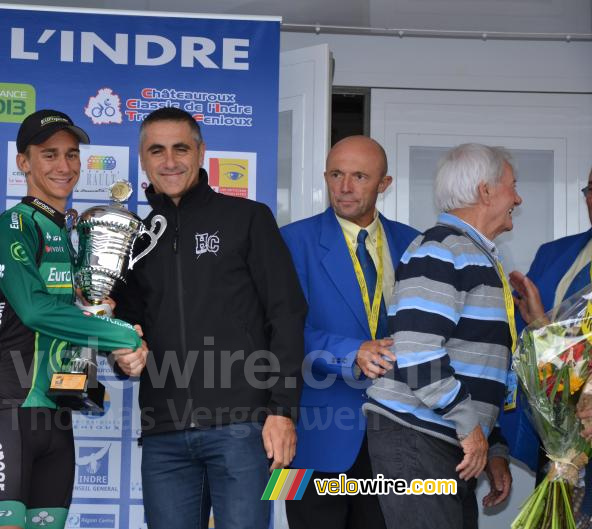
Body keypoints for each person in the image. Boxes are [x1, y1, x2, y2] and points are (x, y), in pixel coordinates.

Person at [111, 107, 307, 529]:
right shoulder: (134, 239)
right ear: (143, 159)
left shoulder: (248, 219)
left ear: (201, 152)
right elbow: (128, 326)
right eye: (156, 150)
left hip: (243, 428)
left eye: (181, 148)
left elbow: (287, 314)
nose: (170, 161)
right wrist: (121, 354)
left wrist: (283, 409)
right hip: (163, 431)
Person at [0, 109, 147, 529]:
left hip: (55, 412)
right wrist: (118, 333)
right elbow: (34, 310)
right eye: (49, 155)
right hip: (5, 405)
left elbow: (74, 319)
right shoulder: (15, 225)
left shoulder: (70, 236)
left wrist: (108, 327)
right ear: (23, 162)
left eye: (71, 155)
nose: (64, 166)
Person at [364, 143, 519, 529]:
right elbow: (418, 353)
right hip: (417, 437)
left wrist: (493, 444)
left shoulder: (475, 254)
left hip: (443, 438)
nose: (517, 198)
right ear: (485, 191)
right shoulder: (441, 250)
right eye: (512, 186)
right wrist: (471, 427)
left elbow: (479, 365)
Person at [280, 136, 419, 529]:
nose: (344, 187)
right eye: (336, 174)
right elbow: (277, 332)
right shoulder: (288, 241)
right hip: (308, 435)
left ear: (384, 184)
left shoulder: (413, 243)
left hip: (395, 437)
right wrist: (349, 351)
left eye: (359, 176)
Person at [505, 166, 592, 526]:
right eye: (591, 188)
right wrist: (539, 323)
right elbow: (528, 347)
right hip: (558, 443)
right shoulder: (555, 254)